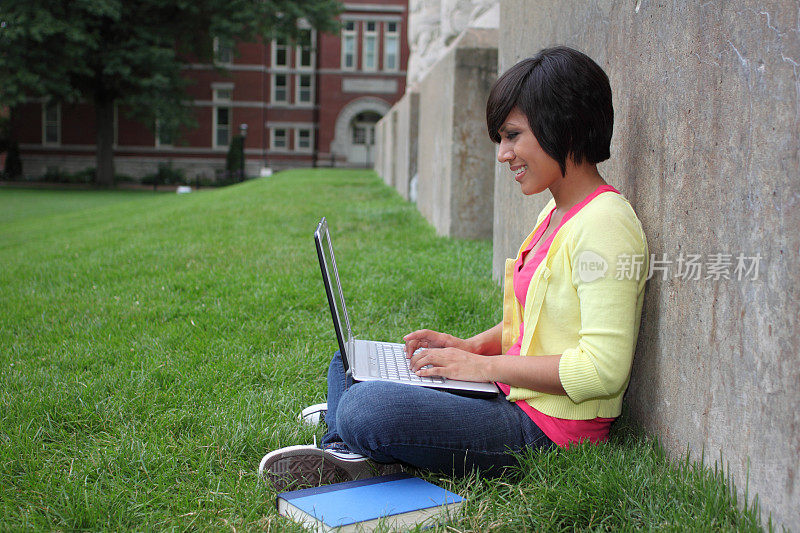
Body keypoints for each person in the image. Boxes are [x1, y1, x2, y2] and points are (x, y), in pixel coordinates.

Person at [259, 46, 648, 491]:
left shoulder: (606, 224)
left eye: (513, 135)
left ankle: (348, 430)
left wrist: (482, 368)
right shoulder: (556, 213)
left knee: (365, 407)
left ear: (566, 126)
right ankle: (344, 445)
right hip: (511, 396)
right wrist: (468, 347)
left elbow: (602, 370)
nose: (504, 154)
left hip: (547, 431)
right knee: (348, 360)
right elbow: (529, 326)